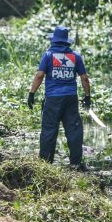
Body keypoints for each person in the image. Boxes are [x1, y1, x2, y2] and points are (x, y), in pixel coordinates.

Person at [26, 26, 91, 170]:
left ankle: (45, 164)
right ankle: (75, 163)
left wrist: (32, 94)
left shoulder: (48, 55)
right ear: (67, 41)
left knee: (49, 129)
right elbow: (84, 78)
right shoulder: (75, 56)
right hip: (70, 98)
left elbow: (39, 75)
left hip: (53, 98)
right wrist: (87, 97)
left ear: (54, 40)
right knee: (74, 129)